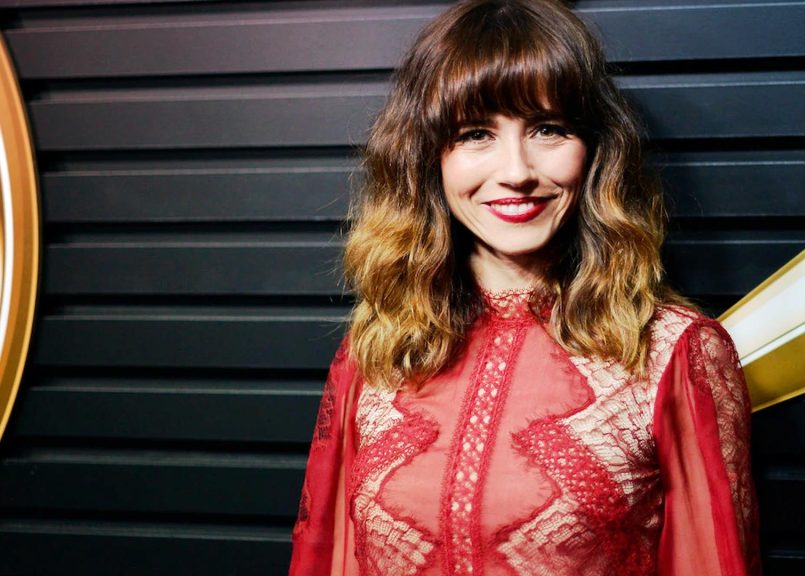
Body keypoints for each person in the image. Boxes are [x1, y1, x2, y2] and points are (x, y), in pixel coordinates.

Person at [289, 0, 760, 574]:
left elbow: (711, 560)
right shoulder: (379, 347)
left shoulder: (673, 351)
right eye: (475, 134)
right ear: (427, 158)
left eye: (548, 129)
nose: (516, 171)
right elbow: (328, 556)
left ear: (595, 151)